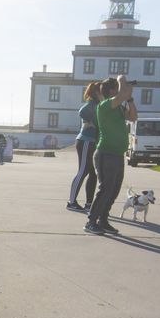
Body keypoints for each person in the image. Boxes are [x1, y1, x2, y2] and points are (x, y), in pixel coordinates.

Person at [85, 75, 137, 235]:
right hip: (105, 154)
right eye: (120, 88)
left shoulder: (119, 107)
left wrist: (130, 99)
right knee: (105, 189)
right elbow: (121, 94)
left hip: (117, 154)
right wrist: (122, 79)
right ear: (113, 90)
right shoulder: (105, 105)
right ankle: (91, 221)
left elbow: (133, 117)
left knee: (114, 190)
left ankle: (103, 219)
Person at [66, 82, 101, 211]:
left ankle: (88, 204)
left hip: (93, 142)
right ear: (96, 93)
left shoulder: (99, 105)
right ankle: (71, 202)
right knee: (83, 171)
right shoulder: (91, 105)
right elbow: (82, 112)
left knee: (93, 174)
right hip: (86, 141)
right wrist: (88, 122)